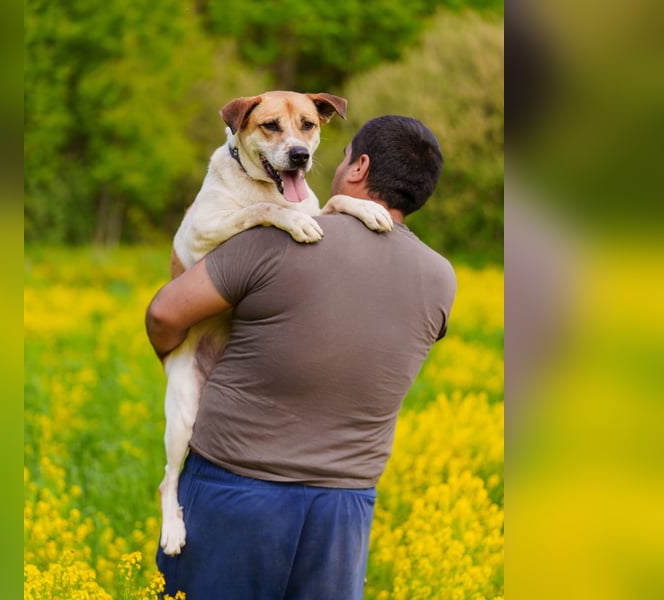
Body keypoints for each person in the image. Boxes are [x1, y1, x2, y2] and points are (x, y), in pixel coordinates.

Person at [145, 115, 456, 600]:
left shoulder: (274, 239)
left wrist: (179, 357)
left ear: (360, 167)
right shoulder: (442, 280)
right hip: (346, 508)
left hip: (237, 490)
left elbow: (164, 314)